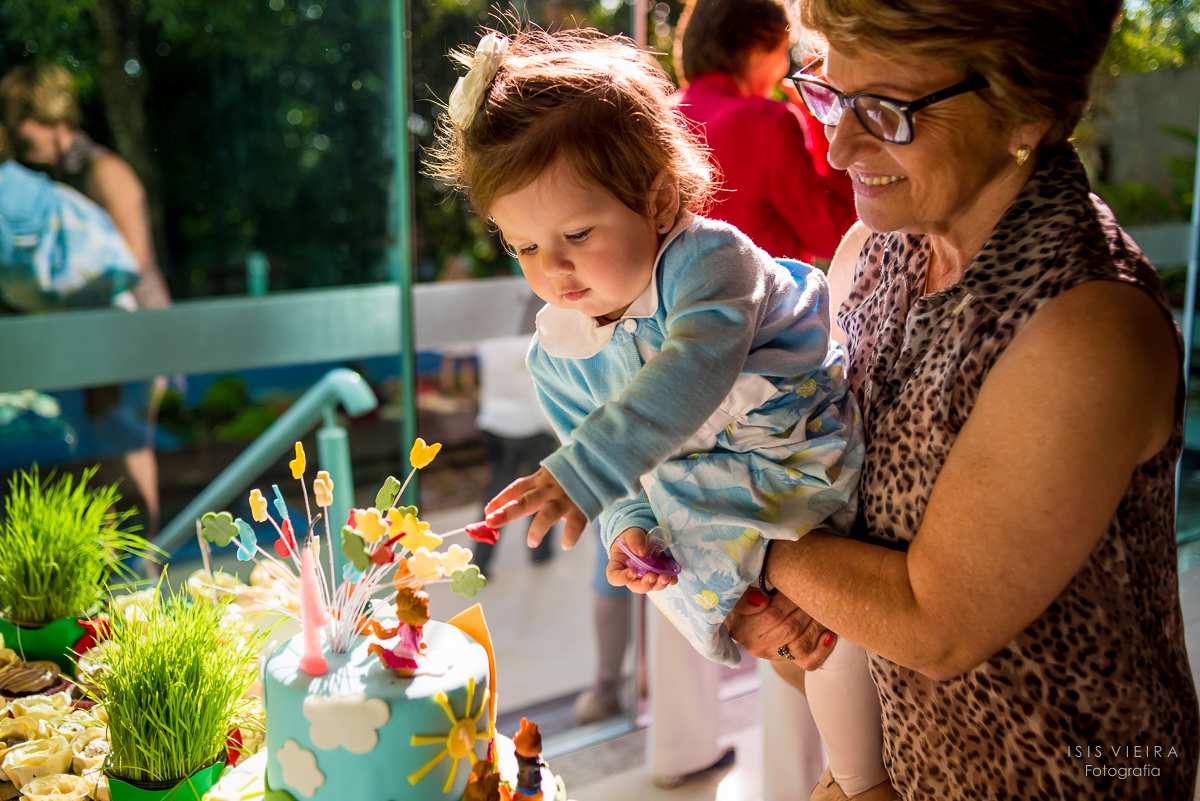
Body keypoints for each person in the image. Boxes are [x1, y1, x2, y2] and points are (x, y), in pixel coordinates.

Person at [724, 1, 1200, 798]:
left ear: (1026, 107)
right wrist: (789, 618)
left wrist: (731, 539)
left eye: (884, 110)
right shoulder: (873, 252)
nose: (840, 146)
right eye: (831, 94)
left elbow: (930, 622)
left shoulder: (1088, 327)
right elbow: (839, 526)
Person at [430, 29, 892, 798]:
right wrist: (628, 527)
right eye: (524, 245)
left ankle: (860, 777)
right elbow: (624, 480)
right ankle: (788, 670)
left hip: (798, 449)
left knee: (831, 643)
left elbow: (694, 369)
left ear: (660, 199)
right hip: (724, 500)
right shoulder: (559, 355)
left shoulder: (710, 259)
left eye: (577, 234)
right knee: (688, 565)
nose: (554, 268)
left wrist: (581, 471)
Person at [1, 63, 172, 534]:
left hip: (129, 341)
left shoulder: (103, 170)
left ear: (53, 117)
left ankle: (145, 578)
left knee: (125, 461)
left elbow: (131, 265)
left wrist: (113, 370)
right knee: (97, 471)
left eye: (21, 120)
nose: (16, 134)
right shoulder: (49, 183)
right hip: (96, 342)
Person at [671, 0, 855, 263]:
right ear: (756, 50)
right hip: (766, 300)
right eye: (783, 51)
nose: (783, 67)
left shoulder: (659, 116)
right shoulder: (767, 120)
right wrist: (824, 115)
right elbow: (835, 235)